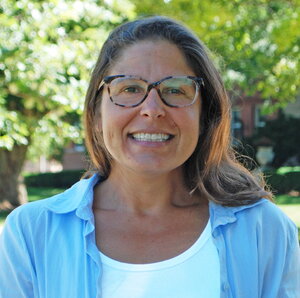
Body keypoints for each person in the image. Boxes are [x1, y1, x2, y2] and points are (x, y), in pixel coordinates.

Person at [0, 16, 299, 298]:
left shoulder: (263, 230)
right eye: (130, 88)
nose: (152, 108)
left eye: (175, 90)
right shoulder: (32, 233)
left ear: (204, 115)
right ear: (96, 114)